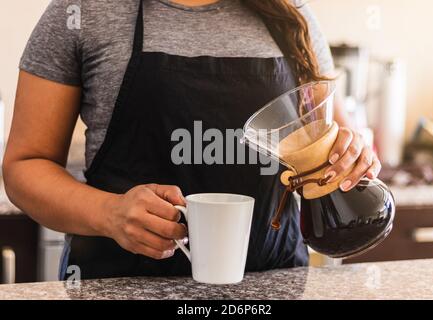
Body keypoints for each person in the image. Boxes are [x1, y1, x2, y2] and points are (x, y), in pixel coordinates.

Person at [3, 0, 381, 280]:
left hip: (270, 287)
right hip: (121, 285)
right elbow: (24, 165)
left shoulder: (291, 15)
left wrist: (350, 156)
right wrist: (109, 213)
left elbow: (331, 147)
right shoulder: (84, 12)